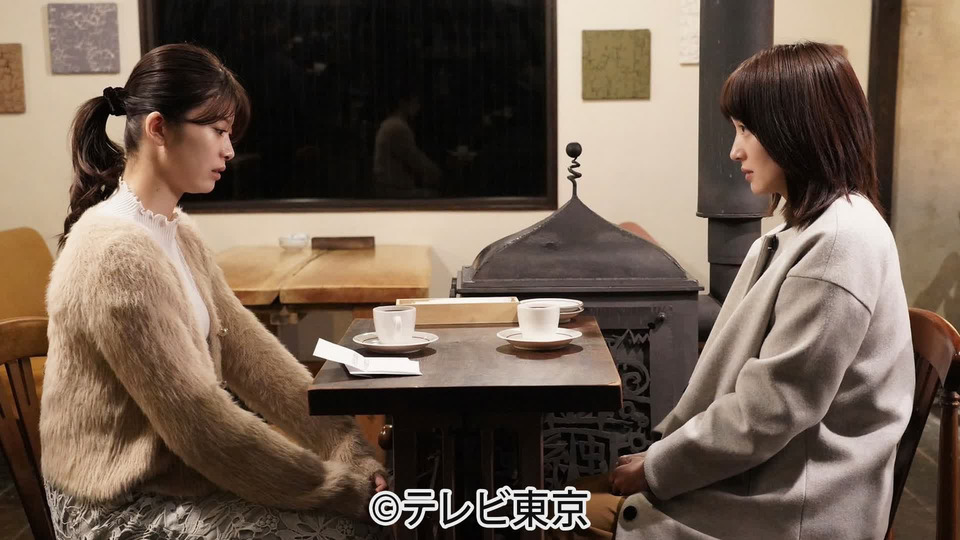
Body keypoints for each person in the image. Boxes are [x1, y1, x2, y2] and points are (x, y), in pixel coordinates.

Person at [568, 42, 915, 540]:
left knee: (556, 514)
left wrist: (656, 468)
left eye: (746, 129)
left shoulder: (840, 243)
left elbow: (771, 411)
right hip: (770, 480)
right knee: (565, 497)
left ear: (797, 129)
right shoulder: (809, 231)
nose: (735, 151)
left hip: (791, 509)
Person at [42, 43, 387, 539]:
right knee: (354, 528)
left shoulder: (177, 231)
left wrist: (347, 448)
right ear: (159, 128)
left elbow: (252, 354)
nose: (229, 150)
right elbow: (200, 423)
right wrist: (337, 486)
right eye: (218, 131)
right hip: (118, 503)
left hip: (179, 479)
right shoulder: (113, 252)